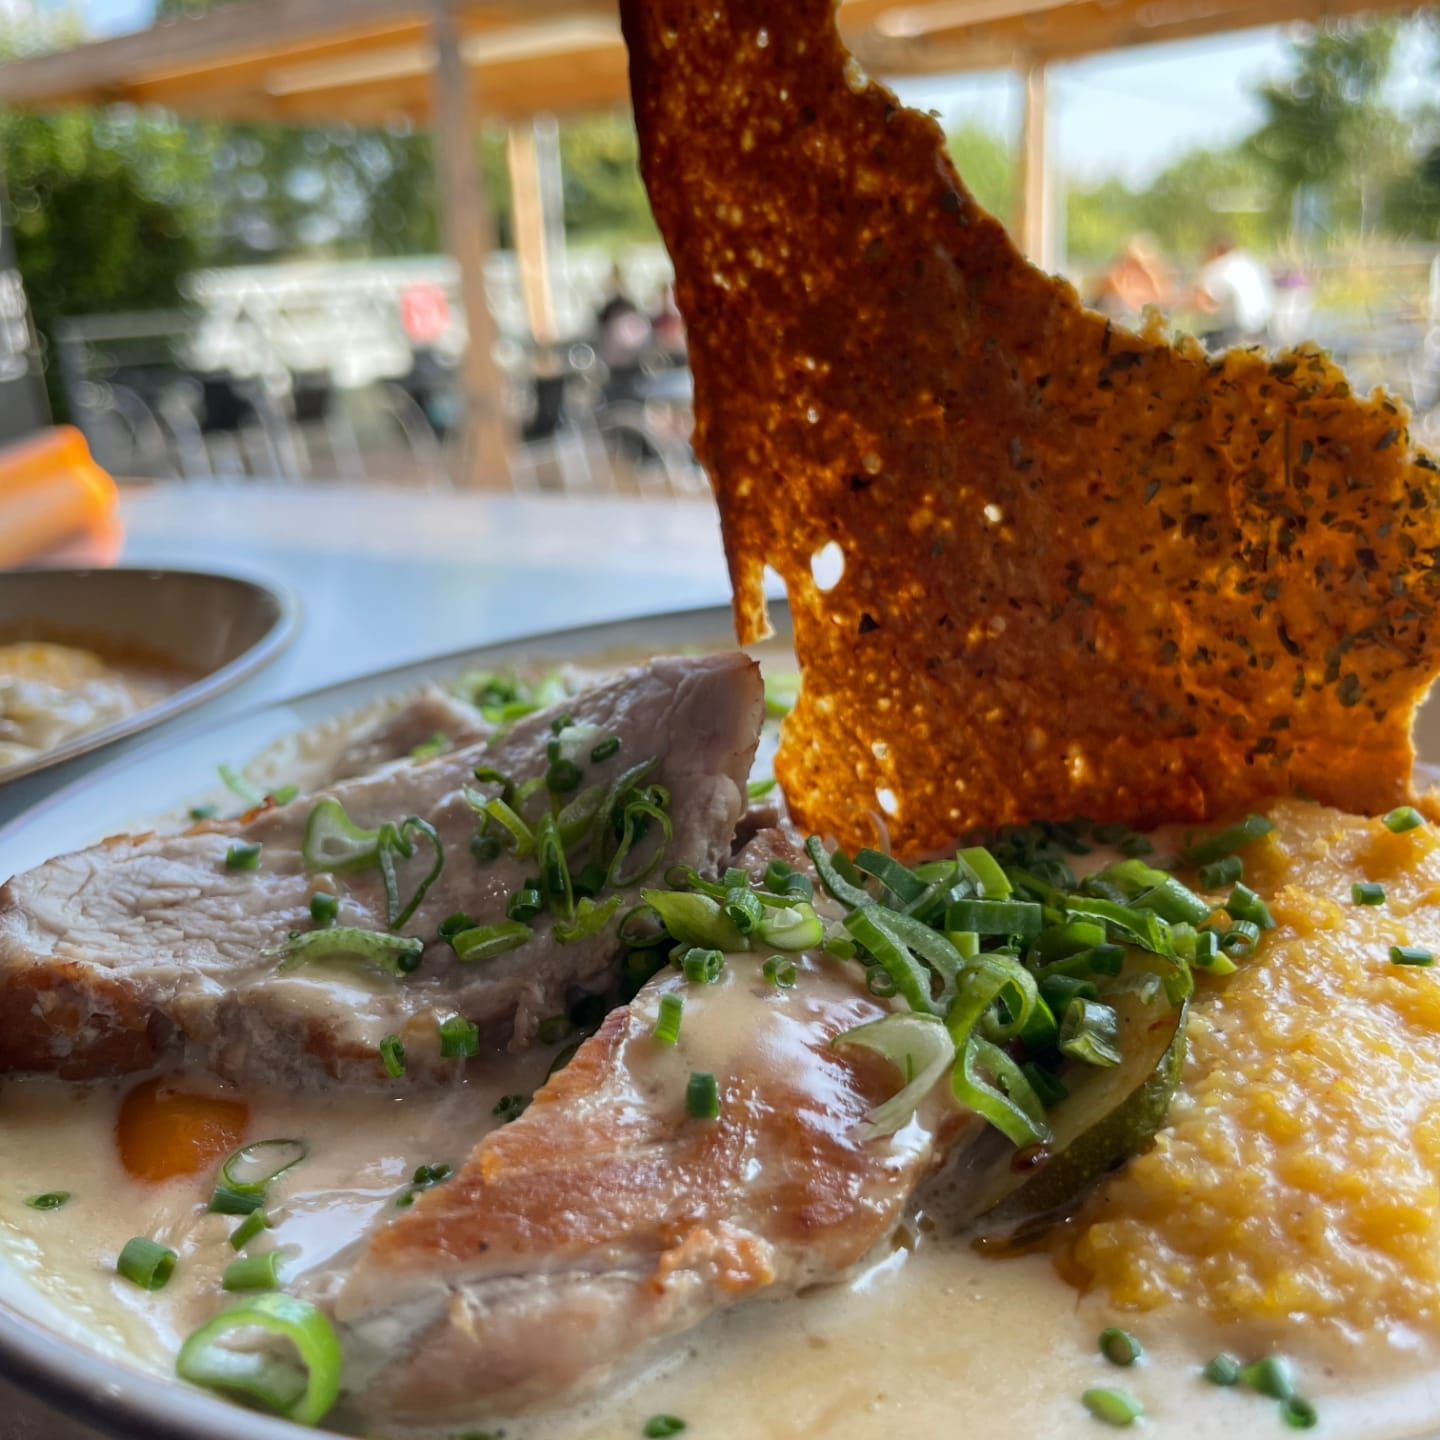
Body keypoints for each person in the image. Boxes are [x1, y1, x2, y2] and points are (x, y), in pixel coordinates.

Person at [1194, 236, 1274, 349]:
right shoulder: (1250, 261)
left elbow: (1202, 302)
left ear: (1216, 252)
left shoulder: (1219, 266)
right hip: (1264, 332)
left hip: (1236, 336)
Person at [1089, 236, 1173, 321]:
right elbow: (1096, 299)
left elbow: (1163, 299)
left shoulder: (1150, 280)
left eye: (1139, 265)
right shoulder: (1113, 278)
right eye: (1131, 263)